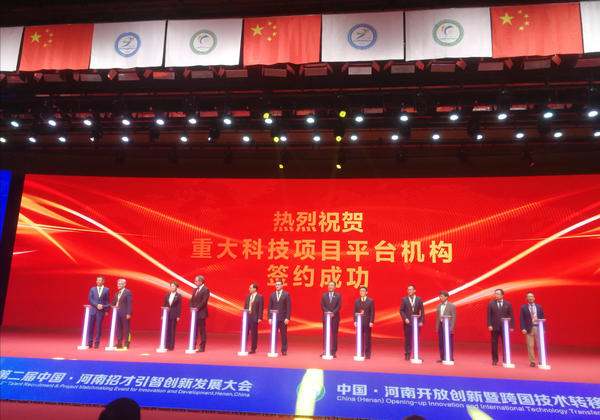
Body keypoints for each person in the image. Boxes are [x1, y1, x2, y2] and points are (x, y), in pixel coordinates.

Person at [487, 288, 514, 365]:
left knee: (505, 344)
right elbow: (488, 315)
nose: (496, 295)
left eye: (498, 294)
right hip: (494, 327)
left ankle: (506, 359)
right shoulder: (491, 303)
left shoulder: (508, 304)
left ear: (502, 295)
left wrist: (512, 326)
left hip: (504, 327)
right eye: (495, 293)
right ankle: (495, 360)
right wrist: (489, 325)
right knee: (494, 344)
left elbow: (511, 315)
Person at [519, 291, 546, 367]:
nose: (530, 298)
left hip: (538, 327)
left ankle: (541, 360)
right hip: (529, 328)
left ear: (534, 298)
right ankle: (532, 361)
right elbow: (522, 319)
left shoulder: (539, 307)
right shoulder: (523, 307)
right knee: (530, 345)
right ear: (526, 298)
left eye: (531, 296)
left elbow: (542, 317)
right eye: (529, 296)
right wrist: (523, 328)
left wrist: (543, 328)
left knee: (540, 345)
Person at [399, 285, 424, 360]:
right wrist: (405, 318)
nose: (409, 291)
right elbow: (401, 310)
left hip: (417, 322)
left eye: (410, 289)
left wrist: (421, 321)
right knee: (408, 339)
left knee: (416, 339)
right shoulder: (404, 299)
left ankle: (416, 355)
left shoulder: (419, 299)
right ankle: (407, 354)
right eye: (408, 290)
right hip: (408, 322)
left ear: (414, 290)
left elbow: (422, 312)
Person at [268, 279, 291, 355]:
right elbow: (270, 307)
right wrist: (269, 317)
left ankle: (284, 350)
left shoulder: (286, 294)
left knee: (283, 335)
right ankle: (273, 349)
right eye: (276, 285)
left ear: (282, 285)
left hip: (283, 318)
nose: (277, 286)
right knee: (273, 335)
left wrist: (287, 317)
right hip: (274, 318)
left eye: (278, 284)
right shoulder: (272, 295)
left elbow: (288, 307)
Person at [87, 275, 110, 348]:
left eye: (100, 280)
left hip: (101, 311)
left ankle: (97, 343)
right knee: (90, 327)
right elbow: (90, 299)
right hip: (93, 310)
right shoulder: (92, 289)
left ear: (103, 281)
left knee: (99, 327)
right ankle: (90, 343)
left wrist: (107, 310)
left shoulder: (106, 289)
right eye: (97, 280)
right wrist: (97, 305)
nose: (98, 281)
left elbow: (107, 300)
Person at [320, 280, 341, 357]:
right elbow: (322, 305)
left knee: (334, 334)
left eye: (332, 285)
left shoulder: (338, 295)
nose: (330, 287)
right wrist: (327, 312)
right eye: (329, 285)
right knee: (326, 334)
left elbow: (339, 306)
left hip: (335, 317)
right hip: (326, 317)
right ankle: (325, 350)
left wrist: (333, 313)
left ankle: (333, 351)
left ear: (335, 287)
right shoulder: (324, 295)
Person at [353, 286, 374, 359]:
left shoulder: (370, 301)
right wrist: (355, 321)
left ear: (366, 292)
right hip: (359, 322)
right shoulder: (357, 301)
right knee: (360, 338)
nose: (362, 292)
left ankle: (367, 353)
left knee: (367, 338)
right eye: (360, 291)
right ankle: (360, 352)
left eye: (363, 291)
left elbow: (372, 312)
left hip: (367, 322)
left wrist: (371, 321)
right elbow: (355, 312)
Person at [190, 274, 210, 352]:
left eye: (196, 281)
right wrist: (191, 307)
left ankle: (202, 347)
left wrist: (197, 308)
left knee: (202, 330)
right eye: (195, 281)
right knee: (194, 330)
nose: (195, 282)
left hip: (201, 313)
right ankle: (193, 345)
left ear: (201, 281)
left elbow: (204, 301)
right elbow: (192, 300)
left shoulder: (206, 290)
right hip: (194, 313)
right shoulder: (195, 289)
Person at [435, 290, 456, 362]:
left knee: (449, 342)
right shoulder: (438, 306)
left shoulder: (451, 306)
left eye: (441, 296)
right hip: (441, 325)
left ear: (446, 297)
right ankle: (442, 357)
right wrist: (437, 327)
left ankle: (450, 357)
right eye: (440, 296)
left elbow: (453, 317)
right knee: (441, 342)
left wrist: (451, 327)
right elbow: (437, 317)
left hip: (448, 326)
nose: (440, 298)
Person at [112, 278, 132, 349]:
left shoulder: (128, 292)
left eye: (120, 284)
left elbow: (129, 304)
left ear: (124, 284)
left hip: (125, 314)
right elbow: (113, 303)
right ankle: (119, 343)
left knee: (126, 329)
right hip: (117, 314)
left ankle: (127, 343)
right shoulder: (117, 293)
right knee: (118, 329)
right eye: (118, 284)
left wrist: (129, 313)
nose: (118, 285)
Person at [243, 283, 264, 354]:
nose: (249, 289)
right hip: (247, 317)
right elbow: (245, 307)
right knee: (245, 333)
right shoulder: (248, 297)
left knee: (254, 334)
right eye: (249, 288)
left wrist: (260, 317)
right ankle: (243, 346)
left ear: (255, 289)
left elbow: (261, 308)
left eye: (250, 288)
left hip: (254, 317)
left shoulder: (260, 297)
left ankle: (253, 348)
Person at [162, 281, 181, 350]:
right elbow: (164, 304)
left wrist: (178, 316)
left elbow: (179, 306)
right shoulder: (167, 295)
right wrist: (162, 315)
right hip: (167, 314)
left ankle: (171, 346)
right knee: (167, 330)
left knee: (172, 330)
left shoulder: (178, 296)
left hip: (174, 314)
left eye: (173, 286)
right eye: (171, 286)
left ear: (176, 287)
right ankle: (167, 345)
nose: (172, 287)